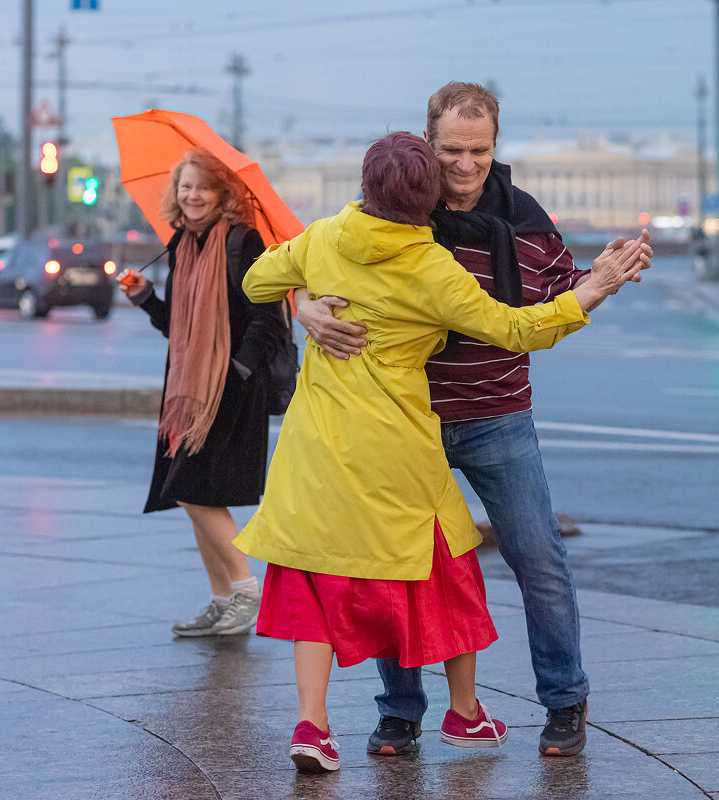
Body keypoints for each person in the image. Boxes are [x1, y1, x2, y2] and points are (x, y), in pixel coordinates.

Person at [233, 132, 647, 773]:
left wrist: (307, 298)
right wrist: (595, 290)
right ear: (428, 197)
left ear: (365, 187)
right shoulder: (429, 268)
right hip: (399, 440)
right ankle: (463, 713)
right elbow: (516, 329)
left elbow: (258, 279)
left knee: (315, 580)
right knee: (446, 571)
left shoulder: (322, 237)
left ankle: (316, 726)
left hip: (317, 445)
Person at [117, 147, 285, 638]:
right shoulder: (182, 245)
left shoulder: (244, 241)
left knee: (192, 491)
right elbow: (181, 327)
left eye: (202, 186)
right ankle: (221, 599)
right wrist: (146, 298)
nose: (191, 195)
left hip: (229, 388)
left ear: (222, 193)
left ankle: (247, 590)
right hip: (188, 389)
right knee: (195, 493)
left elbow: (268, 320)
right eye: (185, 186)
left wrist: (235, 371)